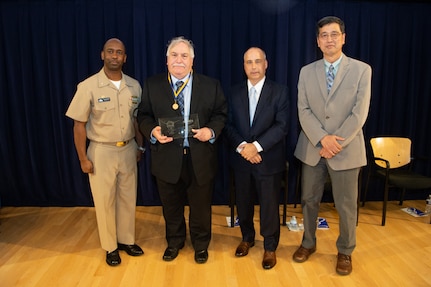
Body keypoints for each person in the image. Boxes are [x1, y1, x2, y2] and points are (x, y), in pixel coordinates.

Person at [137, 36, 227, 264]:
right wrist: (152, 132)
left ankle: (201, 244)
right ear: (166, 60)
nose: (179, 60)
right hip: (166, 157)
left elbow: (221, 114)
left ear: (192, 60)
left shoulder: (211, 85)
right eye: (174, 55)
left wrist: (211, 131)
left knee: (200, 207)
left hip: (200, 157)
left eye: (184, 56)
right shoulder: (152, 85)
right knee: (171, 206)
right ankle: (174, 242)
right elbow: (143, 115)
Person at [293, 16, 372, 275]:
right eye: (324, 35)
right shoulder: (306, 71)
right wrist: (321, 139)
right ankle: (308, 242)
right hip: (313, 148)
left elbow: (359, 114)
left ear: (343, 38)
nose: (329, 39)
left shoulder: (362, 70)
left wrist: (334, 142)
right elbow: (303, 110)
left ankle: (346, 250)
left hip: (346, 149)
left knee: (347, 204)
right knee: (308, 200)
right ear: (317, 41)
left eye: (334, 34)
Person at [66, 38, 145, 267]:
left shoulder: (134, 86)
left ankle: (126, 240)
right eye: (110, 51)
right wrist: (82, 158)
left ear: (125, 58)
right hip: (101, 152)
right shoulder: (88, 86)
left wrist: (140, 146)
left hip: (128, 149)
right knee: (104, 201)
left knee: (128, 199)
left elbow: (137, 120)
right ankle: (110, 247)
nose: (114, 56)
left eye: (119, 52)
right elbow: (78, 125)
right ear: (102, 55)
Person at [225, 47, 289, 269]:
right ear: (243, 66)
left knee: (269, 206)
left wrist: (257, 147)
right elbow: (228, 125)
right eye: (248, 62)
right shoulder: (233, 92)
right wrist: (244, 148)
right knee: (243, 202)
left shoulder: (280, 92)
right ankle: (247, 237)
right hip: (242, 159)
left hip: (268, 160)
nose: (253, 66)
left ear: (266, 64)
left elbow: (282, 126)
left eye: (257, 61)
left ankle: (270, 247)